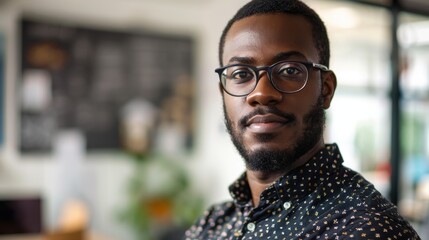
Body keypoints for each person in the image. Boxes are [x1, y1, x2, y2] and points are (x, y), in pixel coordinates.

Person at [185, 0, 421, 239]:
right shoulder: (212, 223)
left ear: (326, 89)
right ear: (223, 93)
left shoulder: (366, 228)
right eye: (241, 74)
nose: (261, 93)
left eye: (289, 70)